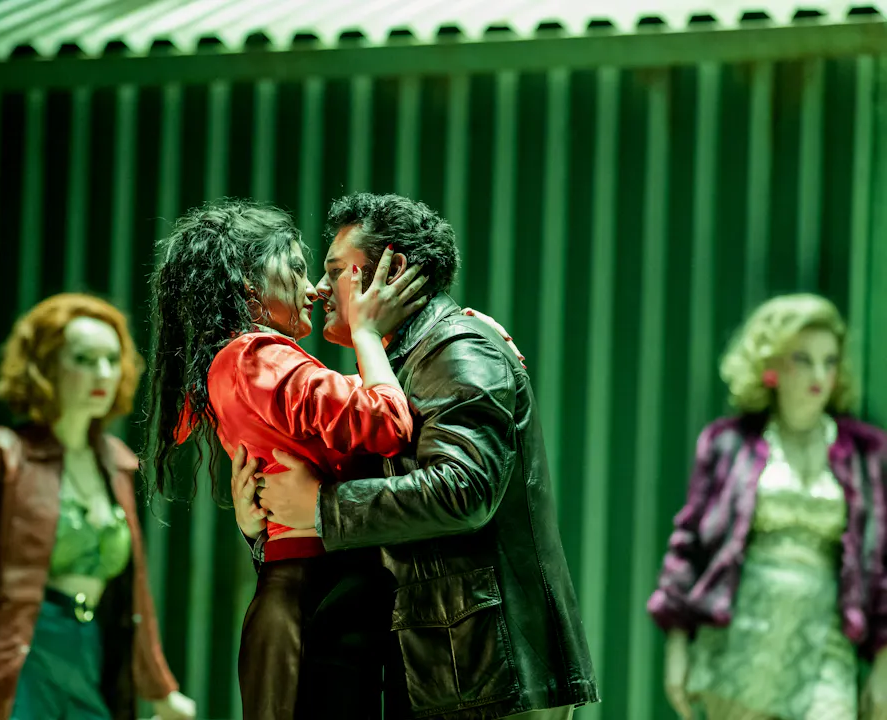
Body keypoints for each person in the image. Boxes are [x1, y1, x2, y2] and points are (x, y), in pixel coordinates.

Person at [245, 192, 599, 720]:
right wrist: (267, 523)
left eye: (336, 270)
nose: (320, 290)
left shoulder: (459, 348)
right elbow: (381, 529)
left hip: (492, 677)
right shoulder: (400, 363)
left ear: (392, 270)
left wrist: (321, 507)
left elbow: (463, 491)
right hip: (451, 670)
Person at [145, 198, 433, 720]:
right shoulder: (258, 356)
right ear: (251, 281)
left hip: (306, 592)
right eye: (299, 268)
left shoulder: (242, 364)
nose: (316, 289)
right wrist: (367, 335)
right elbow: (385, 422)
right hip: (314, 598)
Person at [0, 293, 194, 720]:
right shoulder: (1, 453)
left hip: (93, 649)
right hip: (28, 646)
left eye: (112, 359)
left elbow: (136, 593)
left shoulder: (116, 462)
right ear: (44, 365)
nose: (103, 373)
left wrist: (160, 690)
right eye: (83, 359)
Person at [647, 293, 887, 720]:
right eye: (803, 359)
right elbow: (689, 549)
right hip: (740, 643)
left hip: (825, 644)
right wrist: (677, 650)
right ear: (771, 364)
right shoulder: (728, 443)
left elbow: (883, 561)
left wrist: (884, 664)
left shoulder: (866, 453)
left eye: (829, 361)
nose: (819, 374)